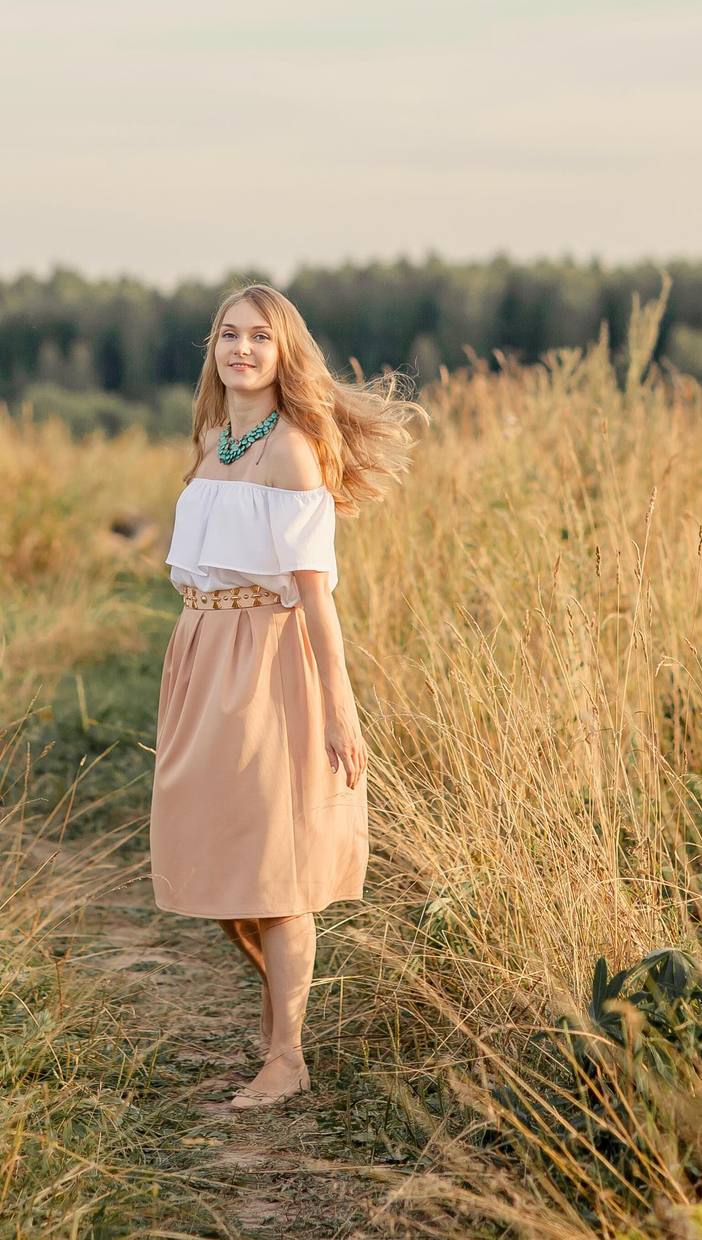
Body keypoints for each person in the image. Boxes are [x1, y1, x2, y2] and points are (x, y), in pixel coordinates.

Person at [151, 283, 423, 1108]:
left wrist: (339, 707)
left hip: (267, 659)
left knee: (277, 868)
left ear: (282, 352)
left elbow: (314, 595)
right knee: (216, 857)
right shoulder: (210, 442)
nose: (242, 349)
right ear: (214, 349)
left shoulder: (292, 453)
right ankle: (278, 1026)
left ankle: (286, 1055)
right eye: (229, 334)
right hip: (200, 655)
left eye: (260, 337)